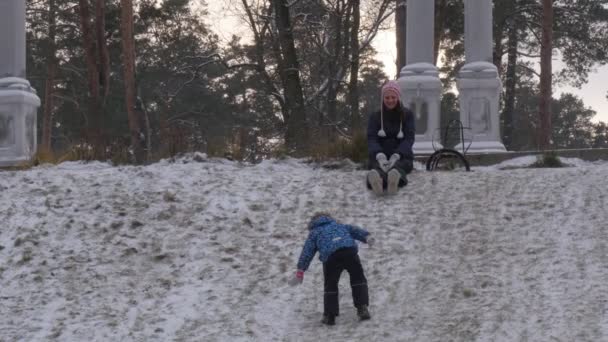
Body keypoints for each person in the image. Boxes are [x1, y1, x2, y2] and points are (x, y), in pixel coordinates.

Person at [289, 213, 374, 326]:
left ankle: (330, 316)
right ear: (328, 218)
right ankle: (362, 308)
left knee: (331, 284)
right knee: (358, 278)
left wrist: (300, 271)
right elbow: (355, 230)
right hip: (349, 251)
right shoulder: (339, 225)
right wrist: (366, 237)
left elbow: (307, 252)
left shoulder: (314, 232)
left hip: (331, 256)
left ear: (313, 223)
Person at [366, 80, 415, 195]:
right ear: (383, 99)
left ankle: (394, 179)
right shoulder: (375, 116)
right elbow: (371, 137)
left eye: (393, 97)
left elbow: (409, 138)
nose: (390, 100)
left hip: (401, 156)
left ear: (398, 97)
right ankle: (376, 180)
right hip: (380, 155)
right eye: (387, 97)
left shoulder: (407, 115)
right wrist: (378, 154)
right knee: (377, 167)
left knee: (399, 166)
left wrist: (398, 154)